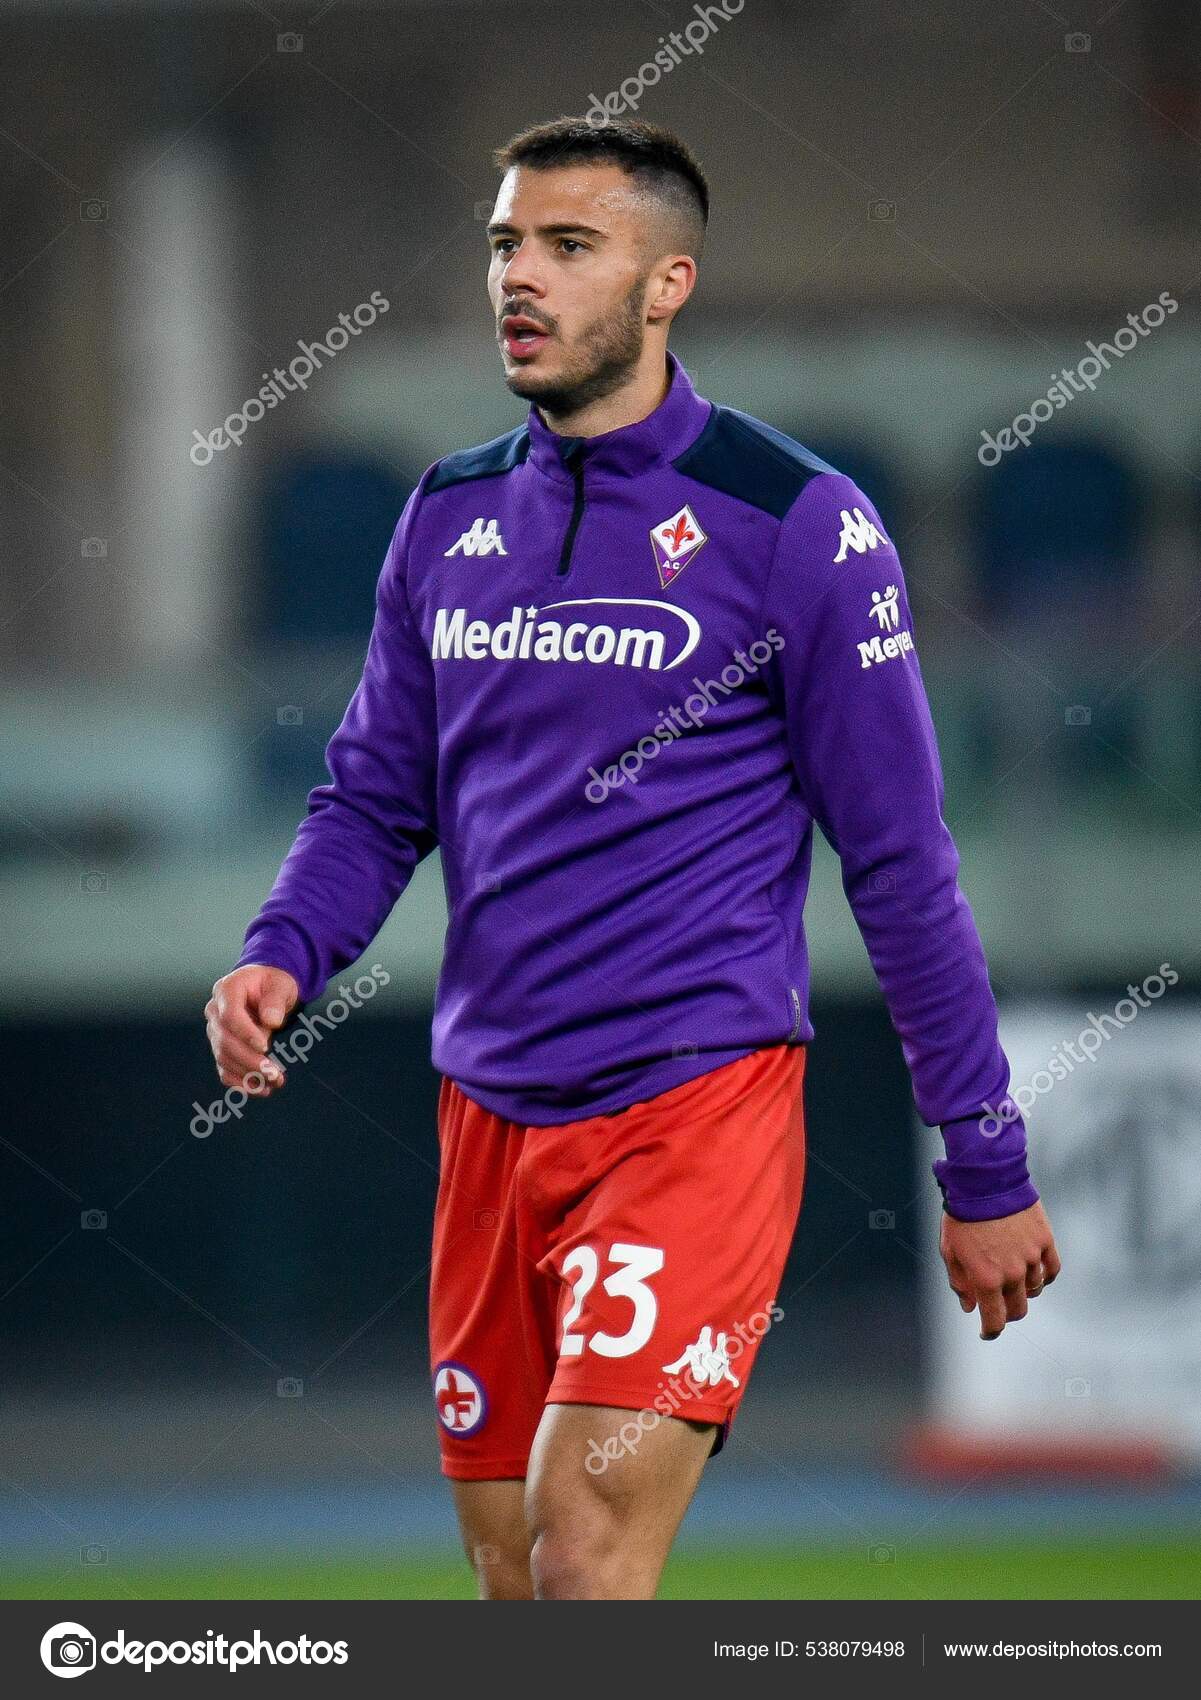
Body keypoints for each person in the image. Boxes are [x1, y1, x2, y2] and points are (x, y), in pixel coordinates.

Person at [204, 116, 1059, 1601]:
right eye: (501, 244)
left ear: (666, 284)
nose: (517, 279)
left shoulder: (797, 524)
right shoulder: (448, 513)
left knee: (585, 1553)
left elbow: (901, 865)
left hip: (690, 1108)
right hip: (488, 1119)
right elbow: (372, 793)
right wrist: (288, 947)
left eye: (565, 246)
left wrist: (981, 1166)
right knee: (516, 1585)